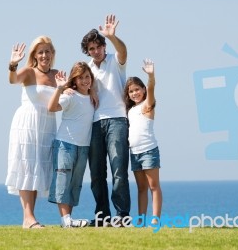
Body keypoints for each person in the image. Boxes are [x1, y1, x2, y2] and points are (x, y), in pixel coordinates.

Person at [80, 14, 130, 226]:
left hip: (117, 120)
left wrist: (112, 36)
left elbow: (123, 51)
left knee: (119, 171)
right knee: (97, 174)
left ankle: (121, 216)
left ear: (103, 46)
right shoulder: (87, 68)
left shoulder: (114, 61)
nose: (95, 51)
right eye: (91, 49)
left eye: (98, 46)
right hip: (95, 123)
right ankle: (103, 216)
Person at [5, 35, 58, 229]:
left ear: (53, 54)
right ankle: (28, 217)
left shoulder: (58, 74)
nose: (44, 55)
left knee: (37, 169)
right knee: (26, 167)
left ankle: (29, 218)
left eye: (47, 51)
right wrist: (12, 64)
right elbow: (13, 80)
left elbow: (73, 92)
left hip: (47, 126)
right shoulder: (28, 72)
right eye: (40, 51)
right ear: (35, 55)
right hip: (27, 123)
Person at [47, 62, 95, 228]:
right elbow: (52, 107)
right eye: (80, 78)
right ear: (74, 80)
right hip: (65, 144)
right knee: (63, 181)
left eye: (87, 77)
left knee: (75, 183)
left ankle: (68, 221)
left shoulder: (93, 97)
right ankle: (66, 219)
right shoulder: (69, 95)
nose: (84, 80)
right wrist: (59, 88)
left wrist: (93, 91)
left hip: (83, 147)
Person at [124, 59, 162, 225]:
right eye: (131, 91)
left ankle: (155, 220)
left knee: (153, 186)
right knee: (141, 188)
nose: (134, 93)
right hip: (135, 153)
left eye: (137, 89)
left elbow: (152, 87)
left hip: (148, 151)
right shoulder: (130, 110)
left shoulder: (147, 105)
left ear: (144, 90)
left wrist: (151, 76)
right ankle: (140, 221)